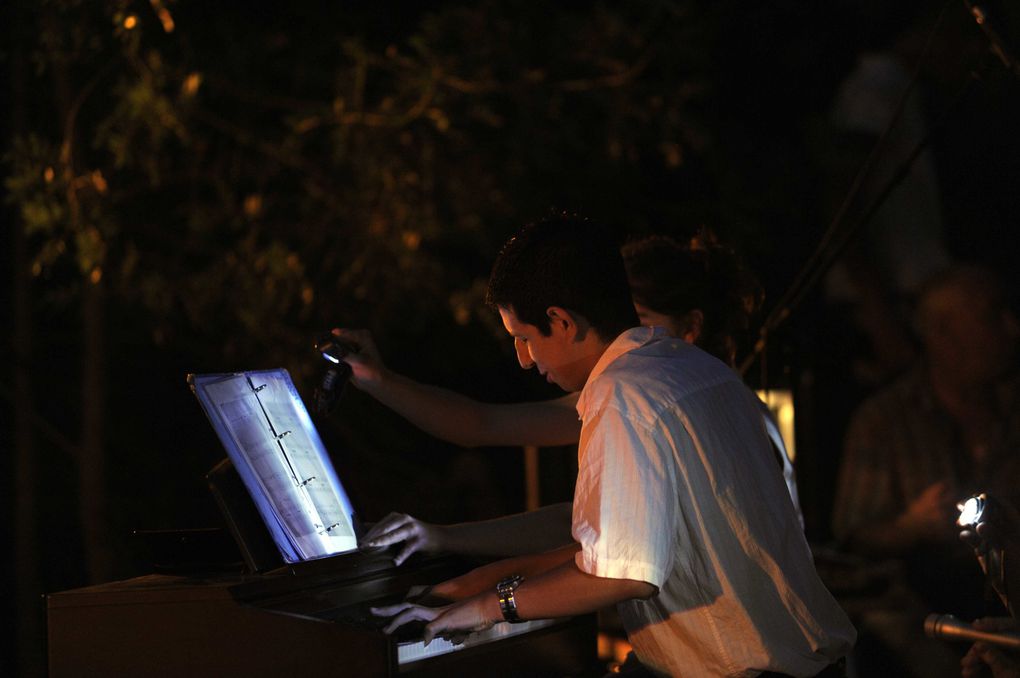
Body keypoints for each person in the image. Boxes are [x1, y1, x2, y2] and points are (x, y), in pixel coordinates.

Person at [367, 214, 854, 676]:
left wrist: (490, 605)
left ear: (561, 321)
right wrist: (478, 584)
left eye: (524, 338)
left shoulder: (620, 392)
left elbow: (623, 574)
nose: (522, 360)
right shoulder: (695, 369)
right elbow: (610, 546)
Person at [339, 232, 802, 565]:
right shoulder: (640, 393)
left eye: (637, 319)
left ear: (692, 326)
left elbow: (611, 559)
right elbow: (484, 425)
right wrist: (380, 381)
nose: (622, 335)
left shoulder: (639, 396)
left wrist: (487, 599)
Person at [831, 264, 1020, 676]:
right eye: (992, 316)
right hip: (928, 615)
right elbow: (851, 539)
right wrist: (910, 527)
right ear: (943, 334)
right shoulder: (885, 421)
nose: (1012, 328)